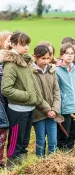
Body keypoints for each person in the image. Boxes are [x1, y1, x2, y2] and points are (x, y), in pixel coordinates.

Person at [1, 31, 49, 165]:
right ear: (13, 44)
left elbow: (34, 87)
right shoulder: (11, 64)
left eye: (27, 44)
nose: (26, 47)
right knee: (15, 142)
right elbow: (6, 89)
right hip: (17, 110)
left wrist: (44, 106)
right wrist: (28, 96)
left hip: (30, 108)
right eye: (22, 44)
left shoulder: (26, 62)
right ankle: (11, 168)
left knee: (24, 142)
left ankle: (22, 167)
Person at [32, 45, 61, 157]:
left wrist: (54, 109)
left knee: (53, 141)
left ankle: (52, 162)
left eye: (47, 58)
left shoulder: (51, 70)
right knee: (41, 140)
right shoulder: (32, 72)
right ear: (35, 57)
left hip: (52, 113)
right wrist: (48, 109)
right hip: (39, 113)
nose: (45, 61)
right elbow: (36, 95)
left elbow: (56, 91)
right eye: (42, 58)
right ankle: (40, 162)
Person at [56, 43, 75, 150]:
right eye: (67, 53)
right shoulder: (57, 71)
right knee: (64, 133)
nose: (70, 55)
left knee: (73, 133)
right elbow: (56, 90)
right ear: (61, 55)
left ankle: (70, 150)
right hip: (65, 107)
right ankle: (62, 152)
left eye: (72, 53)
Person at [0, 30, 11, 167]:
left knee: (6, 130)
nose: (10, 44)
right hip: (1, 100)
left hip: (8, 99)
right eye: (8, 40)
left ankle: (3, 159)